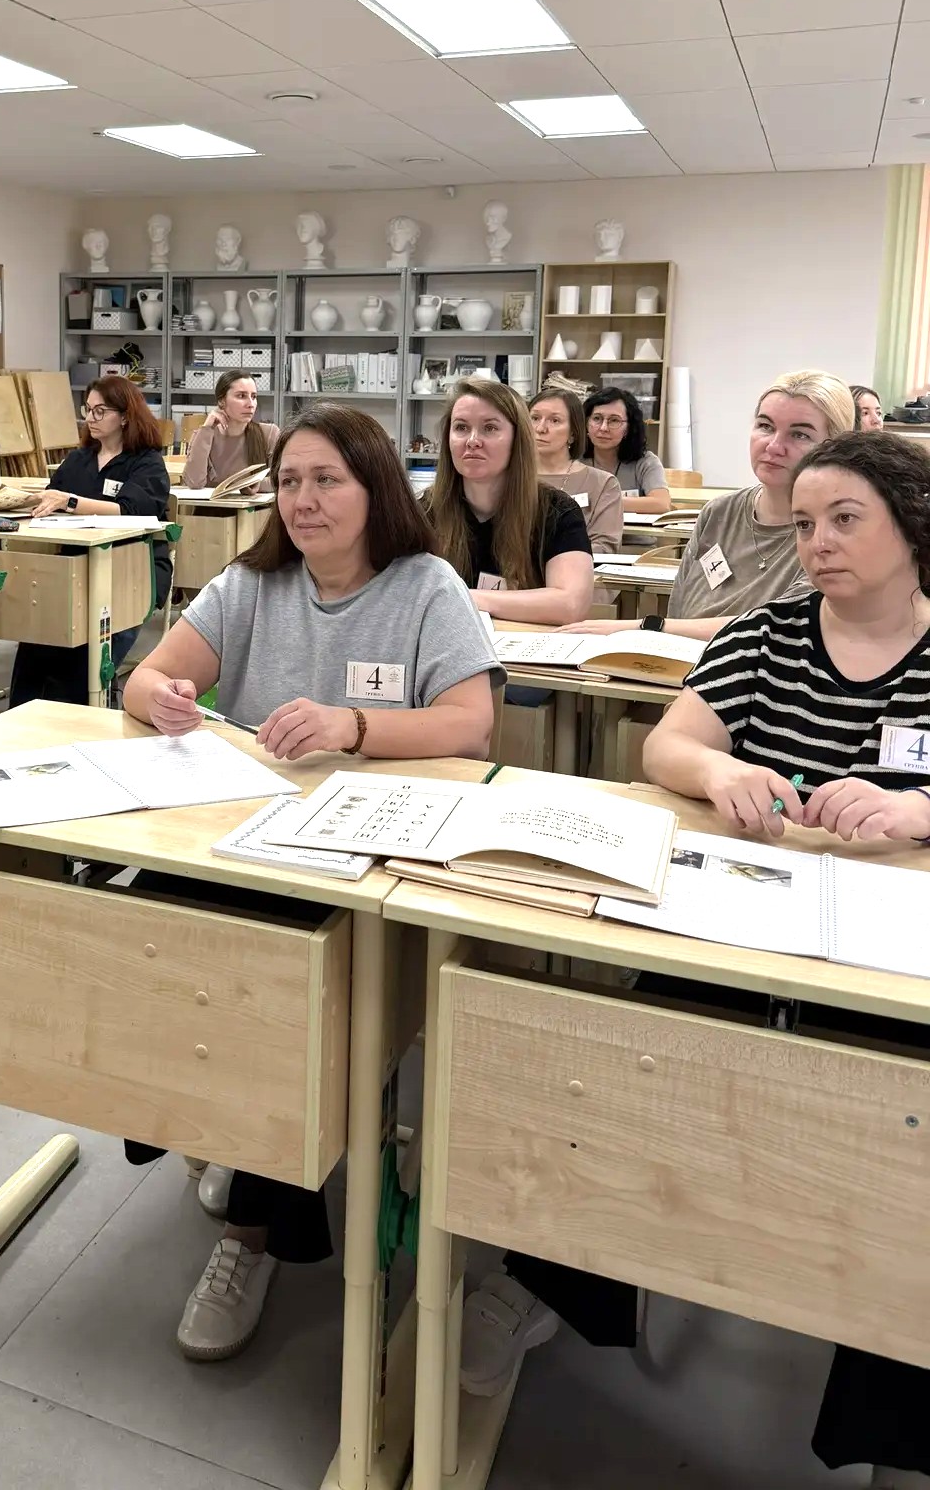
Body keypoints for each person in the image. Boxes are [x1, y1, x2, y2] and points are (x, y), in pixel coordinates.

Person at [465, 430, 930, 1490]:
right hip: (742, 928)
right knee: (625, 1066)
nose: (817, 543)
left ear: (912, 527)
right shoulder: (768, 634)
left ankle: (899, 1422)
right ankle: (555, 1279)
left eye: (845, 519)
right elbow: (667, 744)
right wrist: (719, 774)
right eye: (804, 525)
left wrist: (916, 808)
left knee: (901, 1152)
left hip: (889, 962)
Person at [123, 403, 502, 1361]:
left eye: (327, 479)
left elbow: (470, 724)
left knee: (280, 988)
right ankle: (226, 1128)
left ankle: (252, 1233)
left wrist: (351, 725)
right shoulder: (254, 582)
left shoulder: (426, 586)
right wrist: (165, 698)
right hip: (247, 839)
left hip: (366, 864)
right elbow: (142, 678)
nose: (303, 499)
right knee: (147, 931)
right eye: (289, 481)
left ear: (376, 488)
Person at [562, 371, 855, 640]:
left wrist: (645, 627)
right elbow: (680, 607)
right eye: (765, 426)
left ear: (835, 444)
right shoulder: (719, 513)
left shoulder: (832, 534)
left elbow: (778, 628)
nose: (774, 446)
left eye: (800, 434)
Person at [8, 376, 171, 707]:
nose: (91, 418)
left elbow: (132, 510)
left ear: (125, 416)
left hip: (129, 573)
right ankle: (22, 717)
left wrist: (70, 502)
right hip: (74, 568)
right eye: (88, 410)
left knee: (82, 658)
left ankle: (80, 716)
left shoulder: (146, 462)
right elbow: (49, 498)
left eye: (100, 411)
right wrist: (2, 498)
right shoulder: (79, 459)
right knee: (36, 641)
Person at [428, 376, 594, 629]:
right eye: (461, 427)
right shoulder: (424, 511)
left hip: (526, 649)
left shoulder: (557, 511)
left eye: (490, 428)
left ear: (518, 439)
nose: (472, 440)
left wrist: (462, 597)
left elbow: (571, 604)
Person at [529, 386, 622, 554]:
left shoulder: (602, 483)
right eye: (535, 418)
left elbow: (604, 547)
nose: (540, 428)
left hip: (576, 568)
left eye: (554, 420)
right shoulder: (507, 476)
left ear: (573, 433)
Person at [181, 371, 281, 491]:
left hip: (252, 504)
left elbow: (281, 481)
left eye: (253, 397)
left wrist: (251, 484)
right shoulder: (203, 436)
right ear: (221, 401)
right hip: (211, 504)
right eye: (241, 396)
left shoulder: (269, 433)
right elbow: (194, 482)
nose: (251, 404)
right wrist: (207, 428)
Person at [582, 385, 671, 514]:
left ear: (628, 429)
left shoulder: (646, 461)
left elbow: (661, 504)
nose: (603, 428)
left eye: (614, 420)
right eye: (597, 418)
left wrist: (601, 502)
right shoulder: (573, 460)